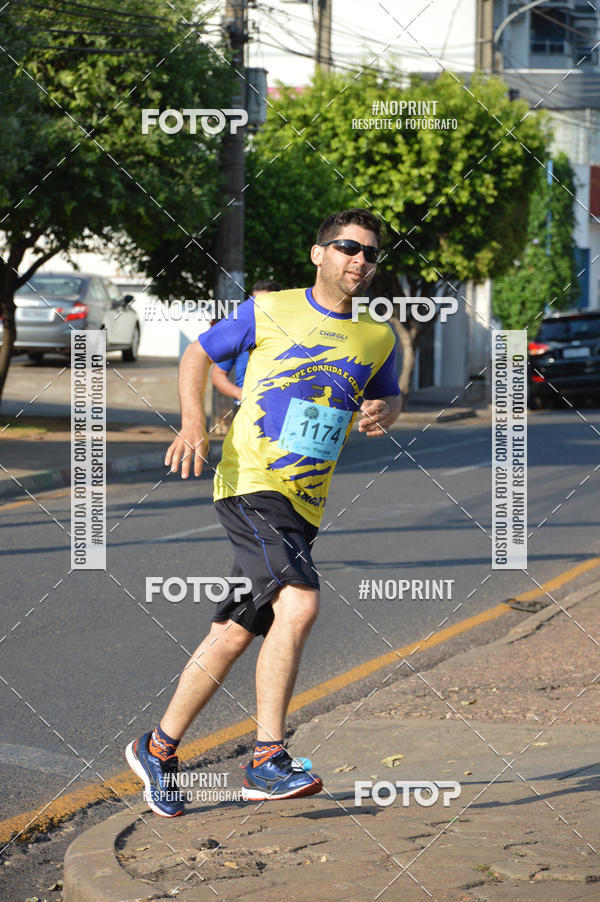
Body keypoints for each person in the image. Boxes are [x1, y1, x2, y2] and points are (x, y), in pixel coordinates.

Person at [126, 208, 402, 817]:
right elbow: (199, 353)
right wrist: (194, 422)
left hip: (306, 503)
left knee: (235, 630)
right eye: (348, 247)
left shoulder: (379, 338)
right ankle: (266, 759)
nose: (360, 259)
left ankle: (157, 748)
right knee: (300, 602)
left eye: (370, 253)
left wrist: (385, 413)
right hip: (252, 483)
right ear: (318, 254)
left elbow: (389, 394)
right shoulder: (271, 307)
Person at [211, 280, 282, 416]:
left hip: (283, 411)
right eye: (255, 302)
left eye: (266, 302)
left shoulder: (293, 334)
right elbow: (217, 375)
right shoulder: (239, 336)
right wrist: (241, 393)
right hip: (247, 411)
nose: (260, 308)